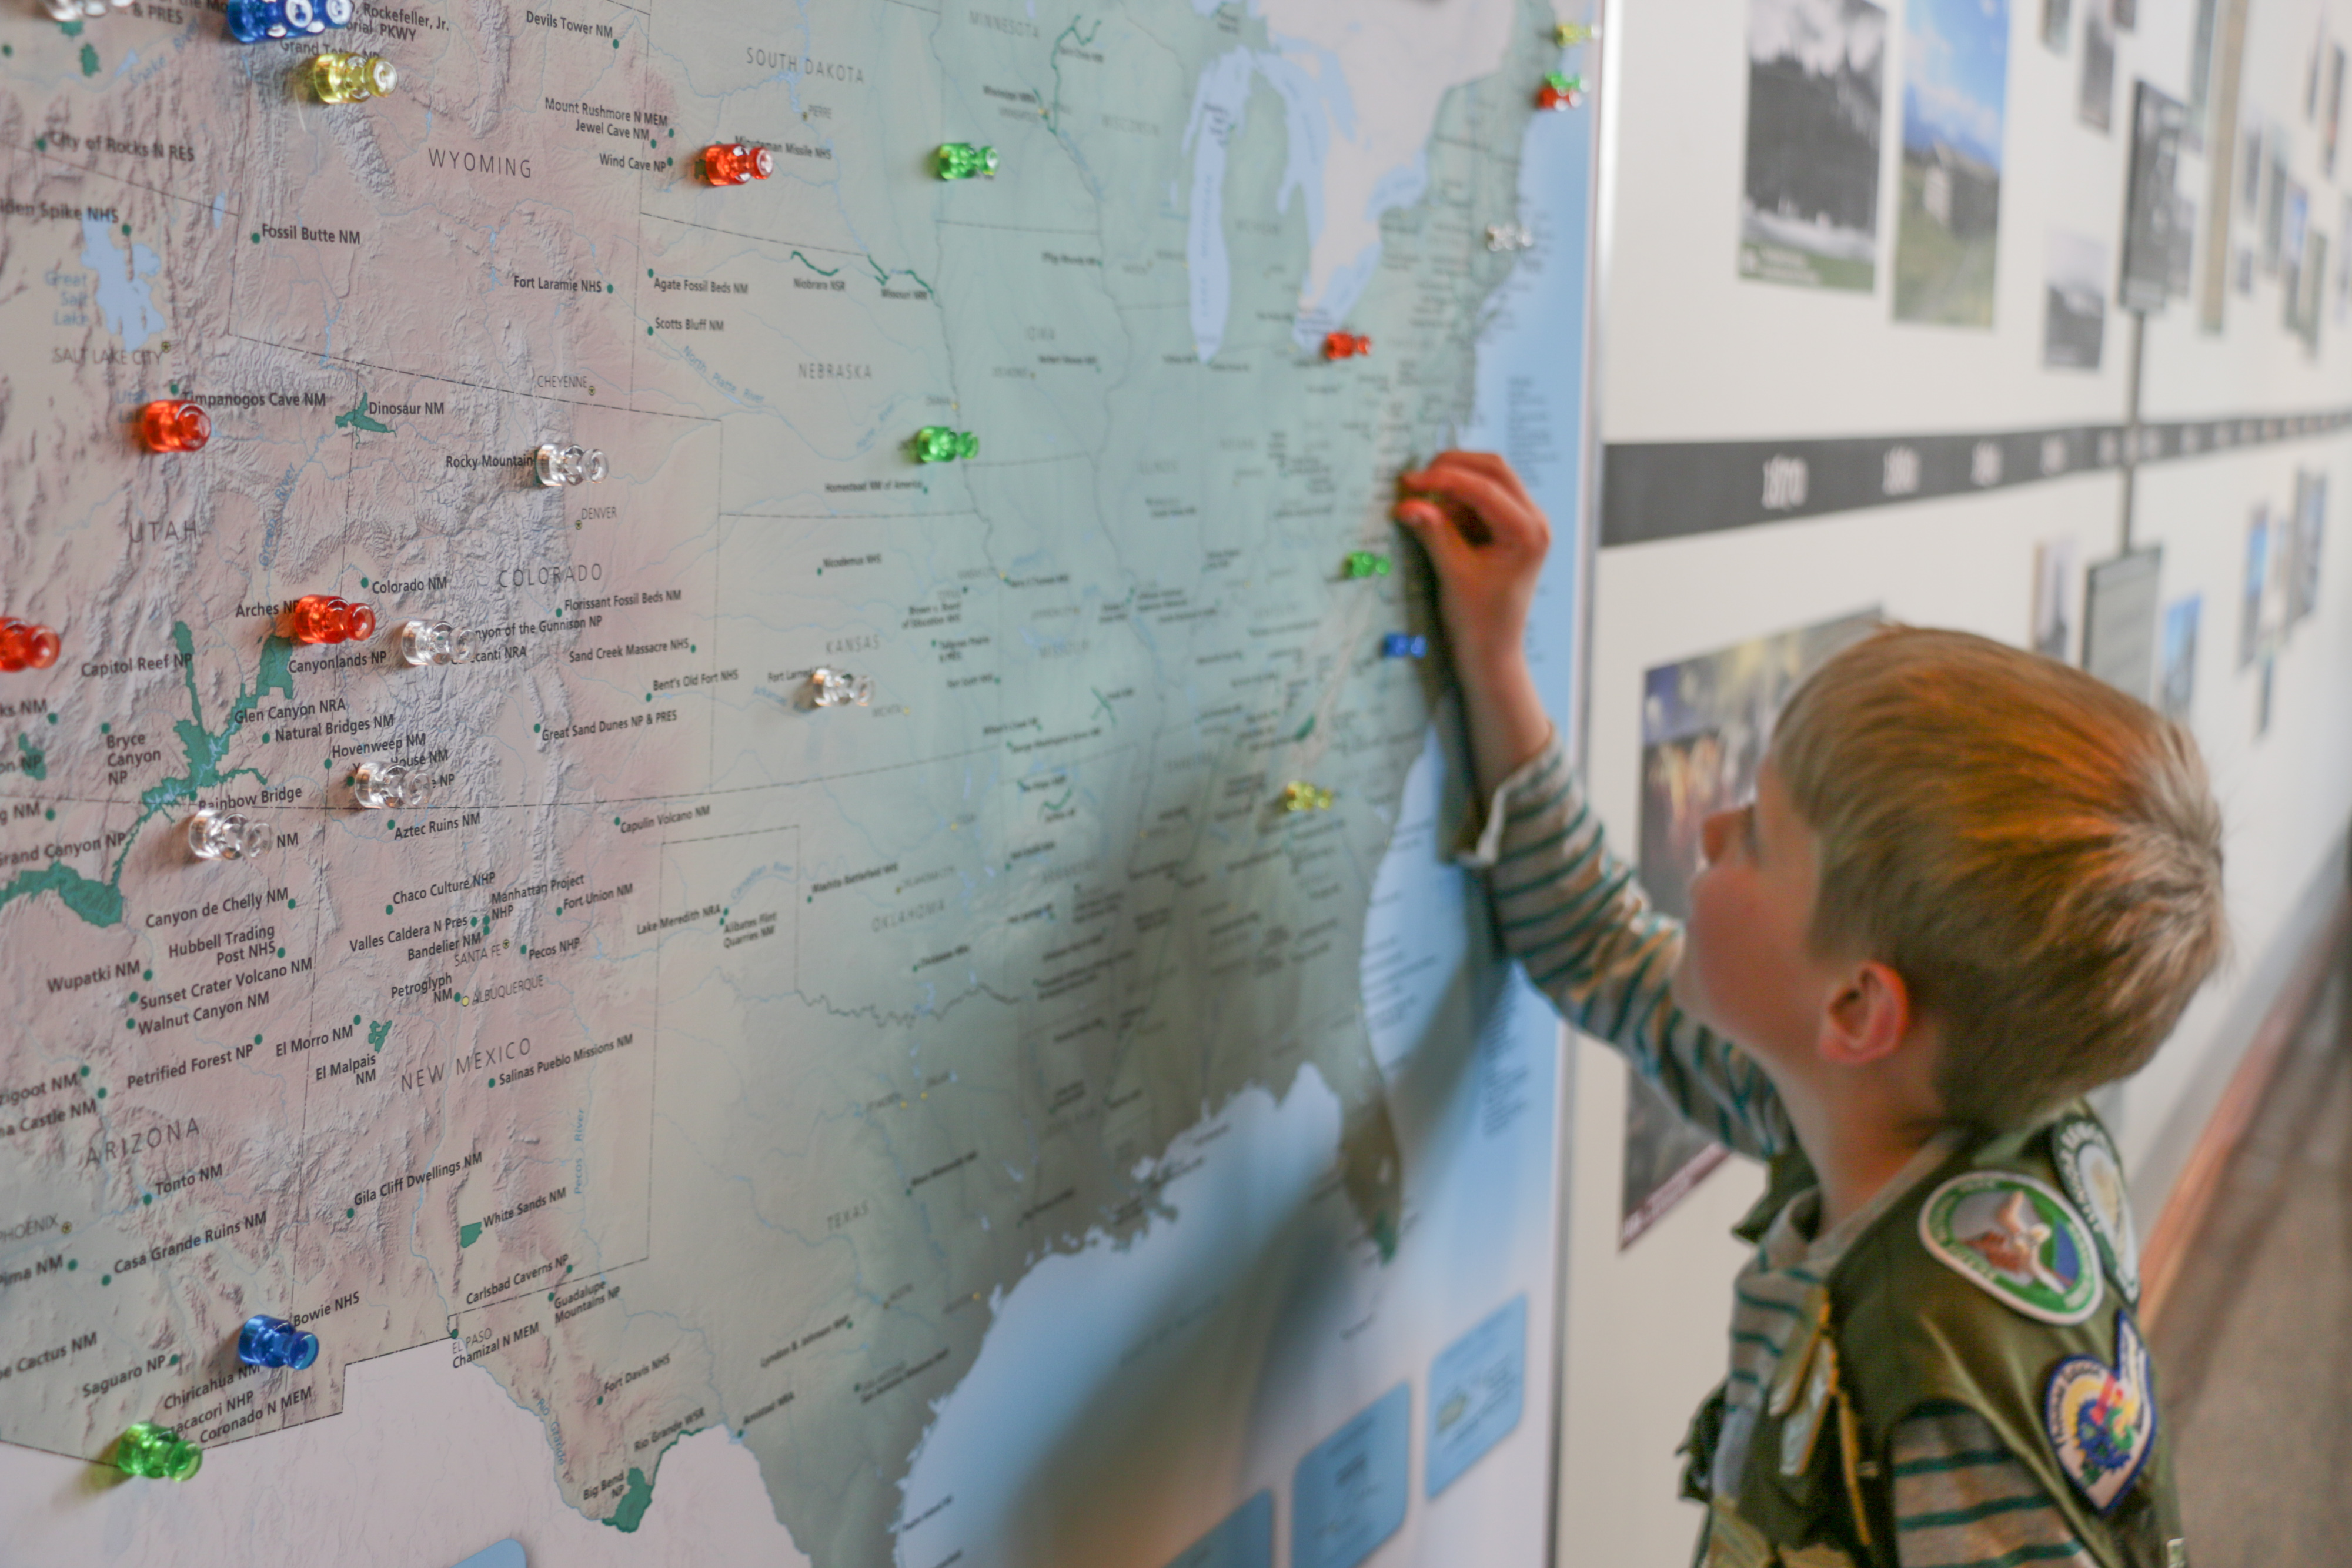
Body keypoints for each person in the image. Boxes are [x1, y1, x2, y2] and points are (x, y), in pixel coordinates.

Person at [1394, 452, 2224, 1568]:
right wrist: (1493, 651)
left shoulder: (1953, 1393)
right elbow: (1598, 950)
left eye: (1762, 836)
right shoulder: (1897, 1104)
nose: (1710, 831)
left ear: (1855, 1008)